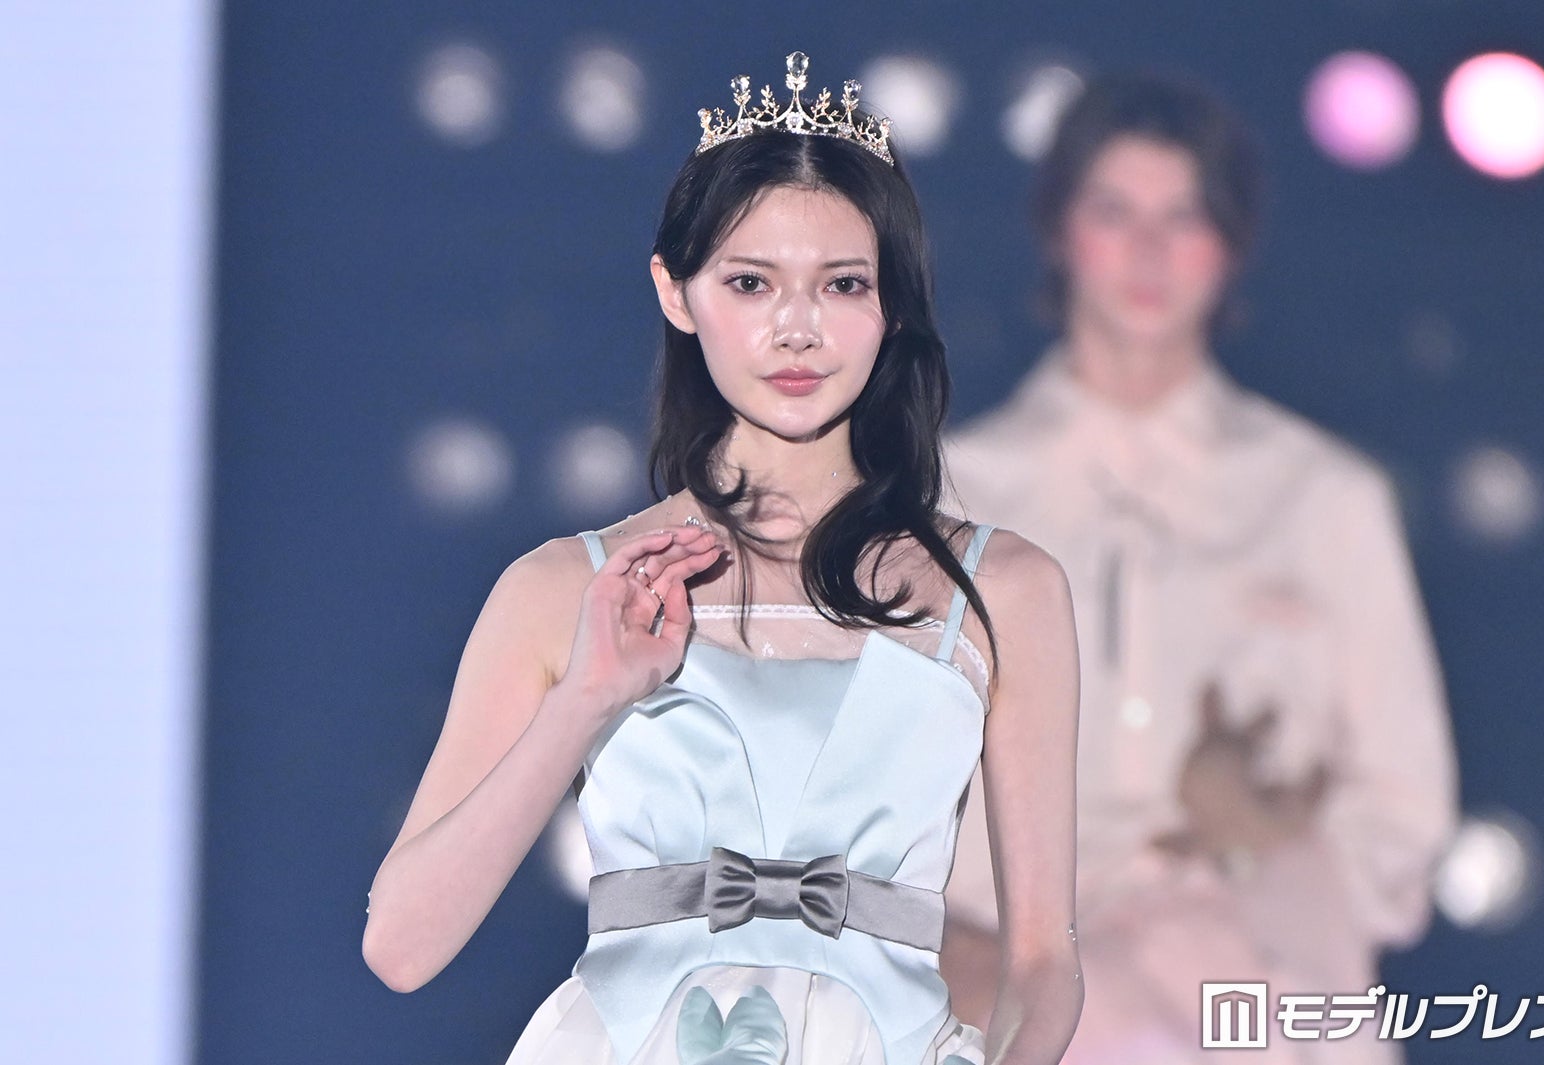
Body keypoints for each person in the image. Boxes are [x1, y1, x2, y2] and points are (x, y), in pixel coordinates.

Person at [363, 52, 1085, 1065]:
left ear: (891, 305)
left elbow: (1043, 960)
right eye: (750, 283)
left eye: (842, 284)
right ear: (675, 290)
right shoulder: (563, 589)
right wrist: (586, 697)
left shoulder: (1001, 592)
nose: (797, 329)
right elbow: (402, 946)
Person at [938, 72, 1459, 1064]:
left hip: (1261, 1006)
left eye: (1182, 216)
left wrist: (1256, 897)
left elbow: (1404, 811)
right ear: (1059, 230)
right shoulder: (949, 497)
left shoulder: (1319, 496)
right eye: (1114, 211)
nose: (1148, 251)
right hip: (1014, 1004)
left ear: (1230, 243)